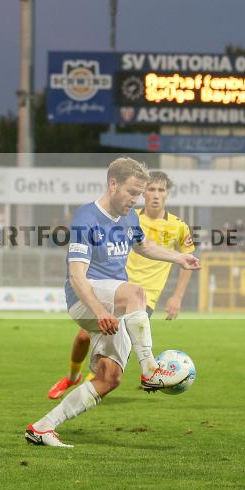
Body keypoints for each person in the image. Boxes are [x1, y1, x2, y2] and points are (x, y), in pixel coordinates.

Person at [25, 159, 200, 448]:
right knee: (136, 293)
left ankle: (43, 428)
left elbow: (143, 245)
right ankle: (151, 370)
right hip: (84, 297)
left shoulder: (129, 217)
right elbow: (76, 275)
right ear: (113, 184)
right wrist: (100, 310)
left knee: (110, 377)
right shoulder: (86, 218)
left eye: (139, 194)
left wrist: (178, 257)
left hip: (113, 302)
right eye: (132, 192)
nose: (136, 200)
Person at [46, 170, 196, 400]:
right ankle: (73, 377)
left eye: (161, 190)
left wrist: (177, 295)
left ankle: (99, 381)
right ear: (142, 193)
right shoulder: (127, 214)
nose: (156, 195)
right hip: (117, 286)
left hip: (146, 296)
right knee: (84, 337)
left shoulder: (179, 226)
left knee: (117, 345)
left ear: (168, 194)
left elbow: (187, 258)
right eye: (151, 189)